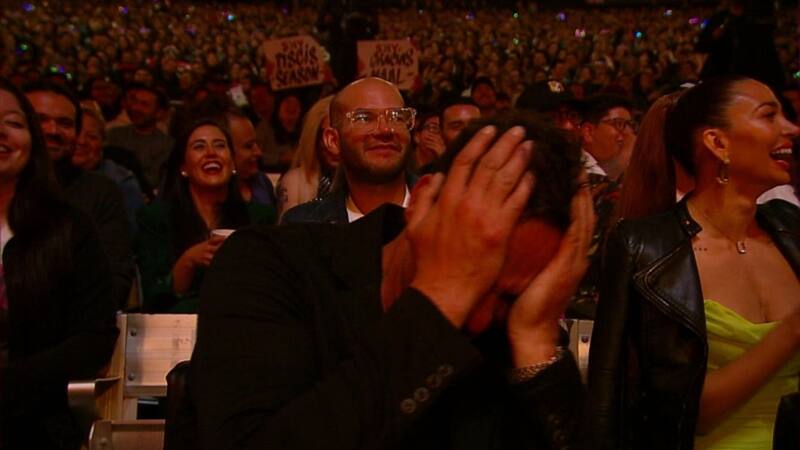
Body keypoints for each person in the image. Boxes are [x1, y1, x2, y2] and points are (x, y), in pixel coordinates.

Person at [191, 112, 595, 450]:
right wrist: (440, 300)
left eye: (506, 295)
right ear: (420, 201)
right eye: (473, 272)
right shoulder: (268, 264)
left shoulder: (514, 326)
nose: (479, 319)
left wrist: (537, 340)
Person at [589, 76, 800, 450]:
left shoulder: (791, 227)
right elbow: (624, 403)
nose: (792, 129)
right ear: (718, 143)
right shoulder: (645, 247)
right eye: (769, 116)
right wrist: (792, 332)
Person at [0, 78, 118, 449]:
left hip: (32, 422)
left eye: (14, 123)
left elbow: (94, 336)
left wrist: (11, 383)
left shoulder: (69, 228)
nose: (1, 132)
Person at [135, 119, 275, 313]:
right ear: (183, 167)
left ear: (233, 163)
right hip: (175, 328)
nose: (211, 153)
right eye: (199, 147)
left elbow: (269, 289)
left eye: (220, 146)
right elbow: (154, 298)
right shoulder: (156, 218)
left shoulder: (260, 217)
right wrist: (189, 260)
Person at [24, 81, 134, 309]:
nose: (52, 130)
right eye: (40, 119)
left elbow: (113, 285)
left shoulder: (101, 192)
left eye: (64, 123)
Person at [281, 78, 418, 225]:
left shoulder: (441, 210)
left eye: (396, 117)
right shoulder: (303, 225)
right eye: (364, 118)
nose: (385, 129)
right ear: (333, 141)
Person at [74, 102, 146, 232]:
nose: (81, 141)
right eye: (76, 134)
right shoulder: (45, 176)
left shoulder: (122, 183)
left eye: (92, 137)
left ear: (103, 143)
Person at [275, 96, 338, 216]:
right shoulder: (294, 182)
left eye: (339, 136)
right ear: (313, 137)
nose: (333, 146)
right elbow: (286, 232)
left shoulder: (363, 183)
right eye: (325, 136)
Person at [106, 83, 174, 191]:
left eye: (144, 104)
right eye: (135, 102)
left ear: (159, 113)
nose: (135, 108)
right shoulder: (114, 134)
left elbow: (153, 180)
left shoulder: (166, 145)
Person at [225, 108, 277, 209]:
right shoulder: (212, 195)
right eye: (248, 146)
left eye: (256, 143)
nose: (259, 153)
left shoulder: (263, 183)